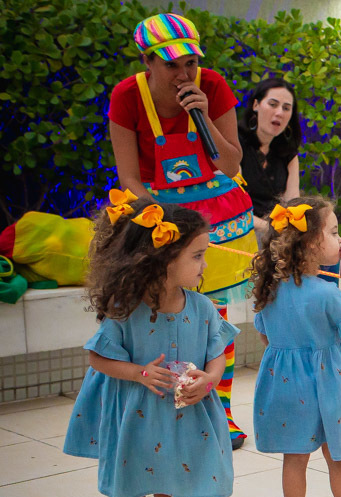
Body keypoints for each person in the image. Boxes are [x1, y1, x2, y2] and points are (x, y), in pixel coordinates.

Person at [63, 197, 236, 497]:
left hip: (195, 420)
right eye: (197, 256)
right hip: (150, 420)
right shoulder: (126, 312)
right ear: (163, 259)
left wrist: (210, 379)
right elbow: (99, 357)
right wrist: (139, 373)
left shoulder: (204, 307)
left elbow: (217, 353)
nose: (204, 266)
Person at [108, 12, 254, 456]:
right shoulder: (127, 95)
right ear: (146, 61)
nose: (184, 73)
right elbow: (129, 177)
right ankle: (166, 401)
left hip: (217, 218)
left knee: (216, 318)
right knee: (166, 311)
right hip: (160, 217)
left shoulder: (212, 87)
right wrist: (165, 222)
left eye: (190, 62)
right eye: (172, 64)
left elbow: (230, 165)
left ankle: (220, 409)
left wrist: (203, 116)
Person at [250, 196, 341, 497]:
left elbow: (264, 334)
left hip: (287, 385)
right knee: (338, 456)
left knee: (295, 457)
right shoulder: (326, 293)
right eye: (333, 233)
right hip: (328, 384)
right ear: (311, 244)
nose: (339, 240)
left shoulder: (270, 289)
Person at [238, 77, 303, 243]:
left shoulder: (289, 153)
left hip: (275, 236)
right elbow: (232, 205)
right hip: (239, 230)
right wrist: (269, 229)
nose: (279, 112)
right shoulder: (236, 143)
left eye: (286, 108)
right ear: (256, 105)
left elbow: (292, 205)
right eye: (273, 104)